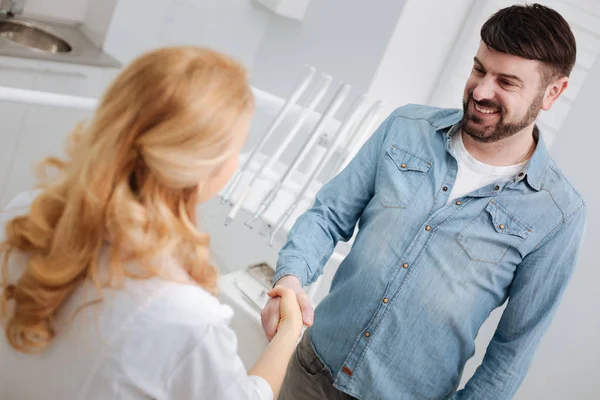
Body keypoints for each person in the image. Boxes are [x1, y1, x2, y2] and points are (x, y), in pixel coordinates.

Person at [261, 4, 587, 400]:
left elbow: (512, 351)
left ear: (553, 92)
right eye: (479, 69)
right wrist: (290, 277)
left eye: (506, 81)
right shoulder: (406, 127)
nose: (482, 91)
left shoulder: (558, 213)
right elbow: (328, 216)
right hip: (311, 369)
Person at [0, 46, 302, 400]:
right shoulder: (186, 318)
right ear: (202, 169)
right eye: (237, 148)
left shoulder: (24, 216)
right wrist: (288, 335)